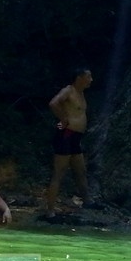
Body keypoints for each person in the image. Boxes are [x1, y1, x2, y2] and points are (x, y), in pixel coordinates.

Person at [45, 68, 98, 218]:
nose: (91, 80)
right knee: (59, 173)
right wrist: (63, 119)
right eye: (89, 77)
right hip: (66, 136)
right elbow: (54, 103)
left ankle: (87, 201)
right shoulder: (68, 90)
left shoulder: (81, 94)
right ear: (79, 77)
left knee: (81, 171)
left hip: (75, 138)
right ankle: (50, 211)